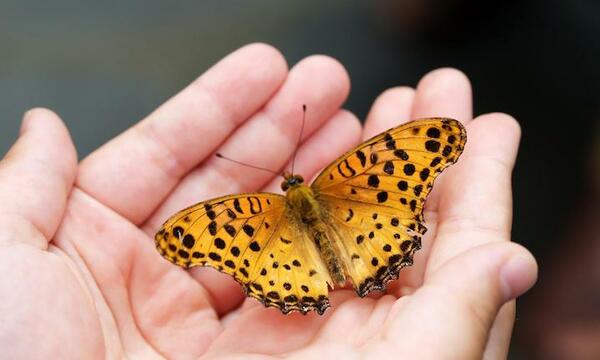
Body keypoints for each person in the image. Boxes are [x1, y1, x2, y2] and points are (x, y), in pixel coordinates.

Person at [0, 43, 537, 359]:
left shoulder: (247, 214)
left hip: (289, 267)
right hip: (370, 232)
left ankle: (326, 283)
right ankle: (366, 269)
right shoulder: (353, 171)